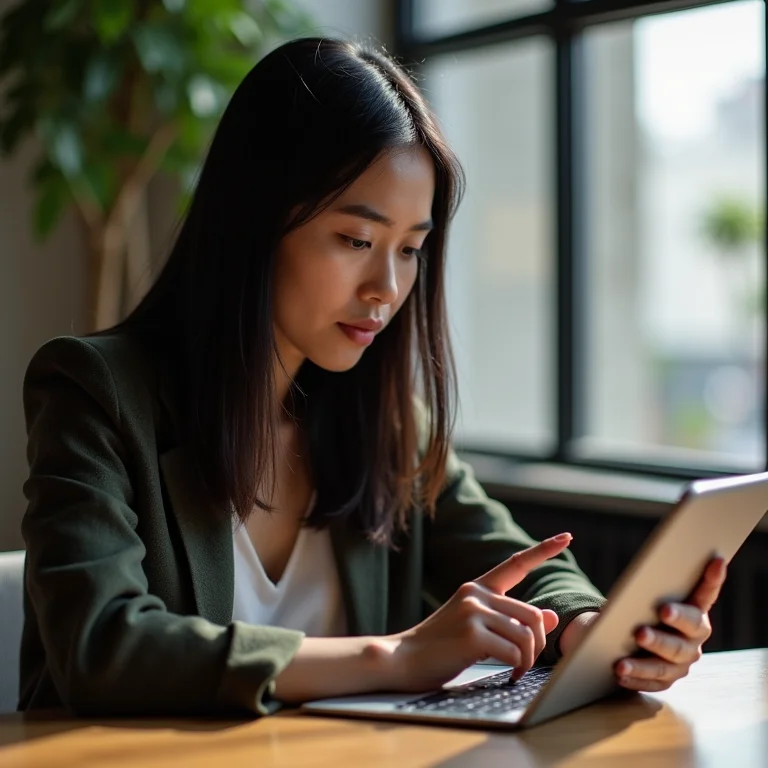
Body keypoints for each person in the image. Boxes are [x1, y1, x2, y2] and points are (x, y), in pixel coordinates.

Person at [19, 37, 726, 717]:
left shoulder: (385, 420)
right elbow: (102, 645)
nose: (386, 287)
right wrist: (395, 657)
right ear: (255, 222)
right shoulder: (96, 391)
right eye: (356, 240)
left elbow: (517, 561)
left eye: (411, 249)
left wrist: (600, 632)